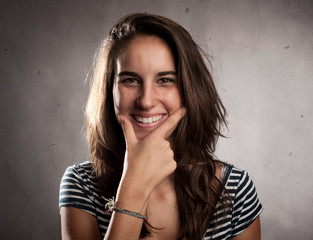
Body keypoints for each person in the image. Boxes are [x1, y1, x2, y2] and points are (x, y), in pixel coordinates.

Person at [59, 13, 263, 240]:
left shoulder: (235, 190)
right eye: (130, 80)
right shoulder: (81, 184)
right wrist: (133, 187)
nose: (146, 101)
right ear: (110, 91)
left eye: (165, 80)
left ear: (190, 90)